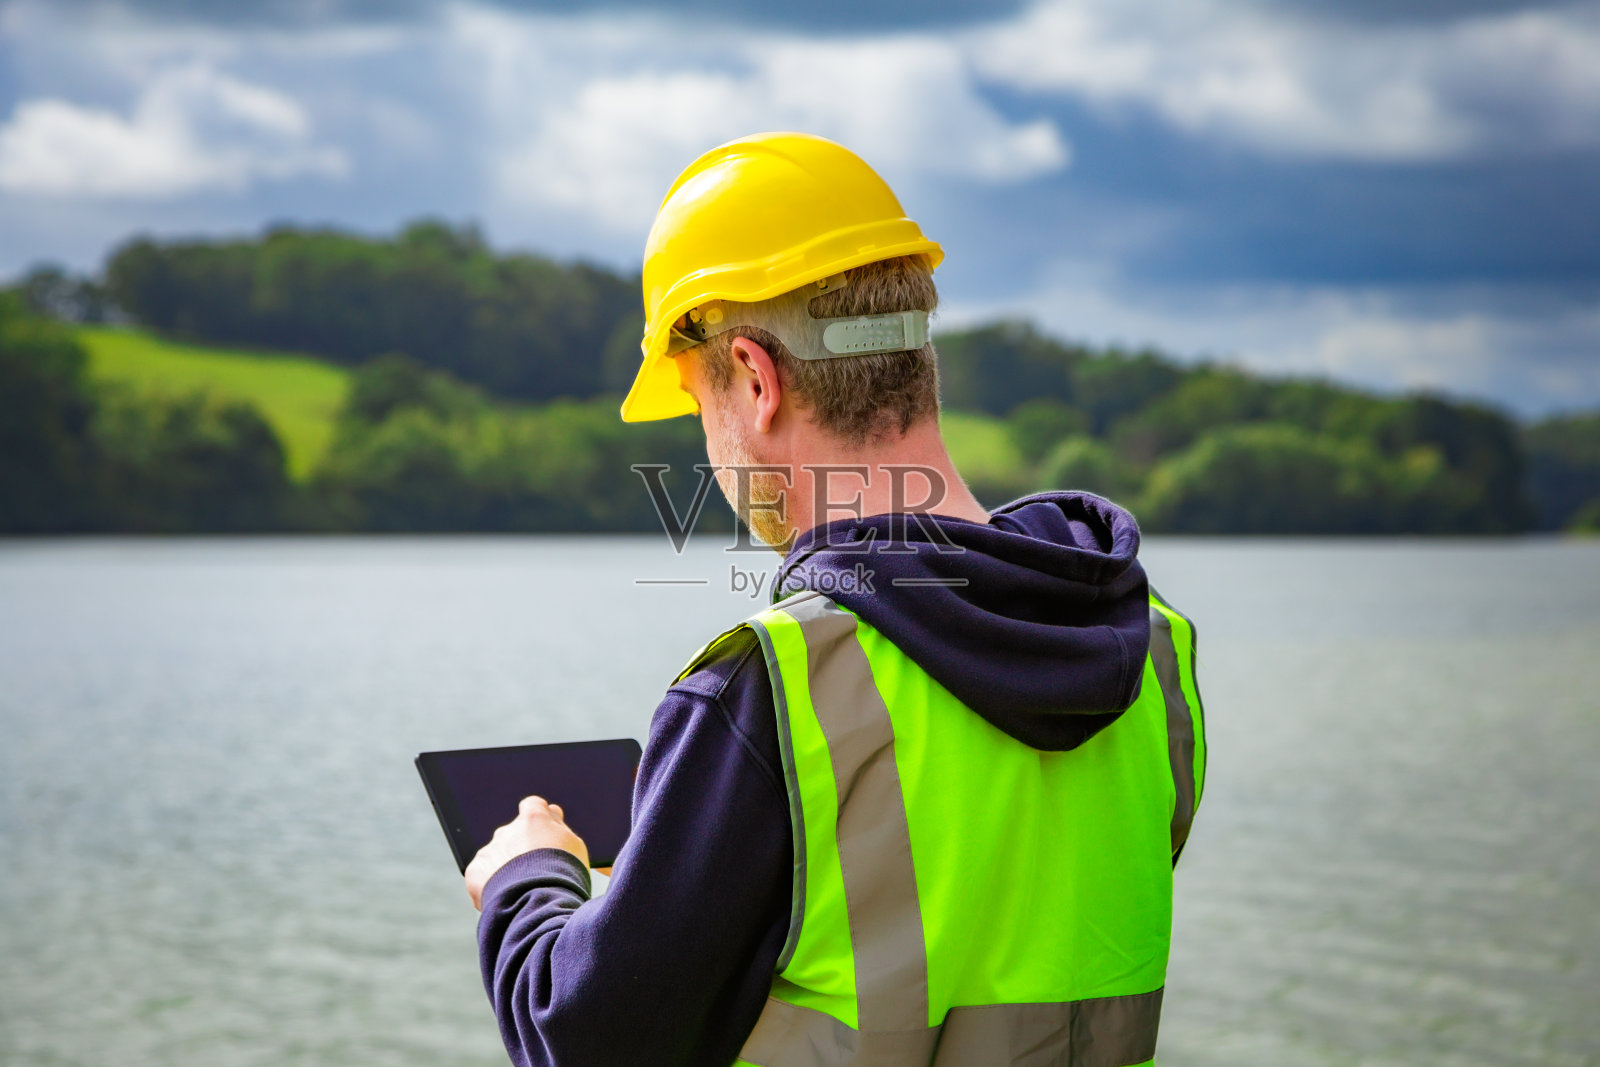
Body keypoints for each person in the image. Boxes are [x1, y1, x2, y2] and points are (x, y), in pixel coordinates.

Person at [463, 132, 1207, 1067]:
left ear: (758, 379)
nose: (708, 448)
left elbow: (587, 1043)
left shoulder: (772, 688)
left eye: (700, 403)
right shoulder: (1150, 652)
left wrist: (527, 884)